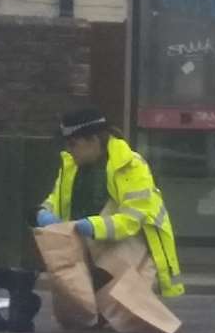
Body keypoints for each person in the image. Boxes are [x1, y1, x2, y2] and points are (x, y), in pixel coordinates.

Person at [35, 108, 184, 317]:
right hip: (88, 244)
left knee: (117, 310)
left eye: (73, 144)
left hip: (124, 247)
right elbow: (57, 198)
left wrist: (92, 226)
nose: (69, 150)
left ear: (93, 140)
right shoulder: (71, 166)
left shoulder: (131, 165)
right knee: (81, 310)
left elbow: (133, 218)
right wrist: (45, 212)